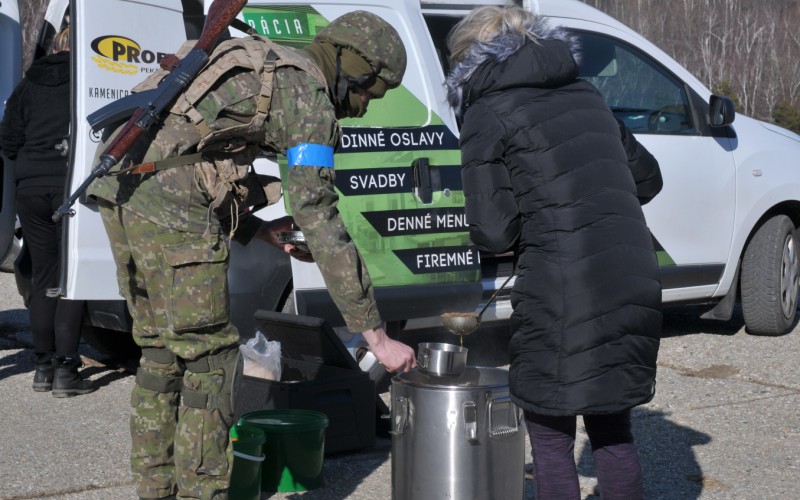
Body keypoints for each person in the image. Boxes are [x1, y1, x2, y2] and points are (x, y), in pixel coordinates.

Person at [86, 10, 414, 499]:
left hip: (122, 187)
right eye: (371, 92)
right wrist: (376, 335)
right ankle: (205, 492)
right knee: (210, 357)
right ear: (356, 65)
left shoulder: (267, 62)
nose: (364, 107)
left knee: (159, 352)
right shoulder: (307, 95)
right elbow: (319, 216)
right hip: (167, 198)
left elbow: (194, 151)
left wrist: (257, 229)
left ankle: (155, 488)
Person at [445, 6, 663, 500]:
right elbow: (649, 178)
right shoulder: (587, 93)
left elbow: (494, 234)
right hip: (634, 276)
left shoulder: (487, 112)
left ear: (470, 61)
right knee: (612, 430)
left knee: (549, 434)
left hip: (563, 289)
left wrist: (539, 217)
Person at [0, 26, 95, 398]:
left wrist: (28, 165)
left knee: (43, 276)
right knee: (73, 279)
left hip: (31, 189)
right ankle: (67, 372)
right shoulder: (85, 83)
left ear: (55, 46)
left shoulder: (27, 85)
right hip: (71, 186)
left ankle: (42, 367)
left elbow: (7, 139)